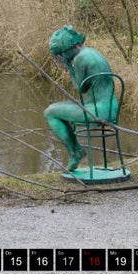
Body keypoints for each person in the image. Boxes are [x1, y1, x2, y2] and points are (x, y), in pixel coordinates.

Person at [44, 25, 118, 171]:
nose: (63, 57)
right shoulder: (92, 52)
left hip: (98, 112)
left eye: (62, 53)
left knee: (50, 112)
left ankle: (75, 153)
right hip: (111, 107)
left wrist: (68, 67)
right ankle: (76, 149)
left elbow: (80, 88)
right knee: (62, 108)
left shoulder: (79, 59)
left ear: (69, 48)